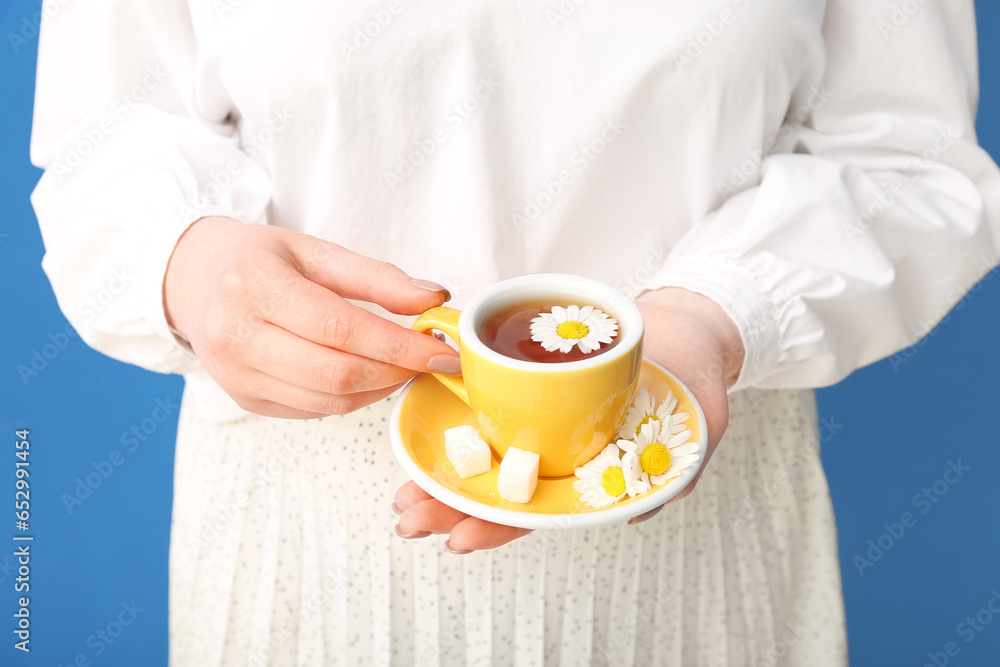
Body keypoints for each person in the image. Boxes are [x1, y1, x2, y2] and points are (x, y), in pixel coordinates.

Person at [30, 0, 999, 664]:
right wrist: (183, 259)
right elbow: (99, 142)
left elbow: (911, 159)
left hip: (691, 544)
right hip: (306, 558)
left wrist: (715, 314)